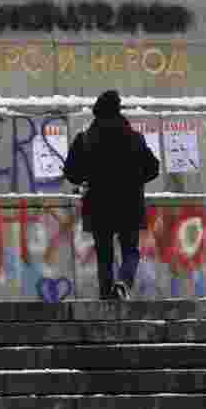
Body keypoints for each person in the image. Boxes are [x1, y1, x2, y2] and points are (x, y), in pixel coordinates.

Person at [64, 90, 160, 300]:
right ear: (118, 110)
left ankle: (106, 296)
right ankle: (124, 282)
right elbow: (153, 168)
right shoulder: (134, 138)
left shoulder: (85, 139)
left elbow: (71, 172)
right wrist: (134, 179)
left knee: (104, 256)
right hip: (130, 203)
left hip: (99, 205)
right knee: (130, 250)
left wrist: (86, 179)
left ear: (97, 112)